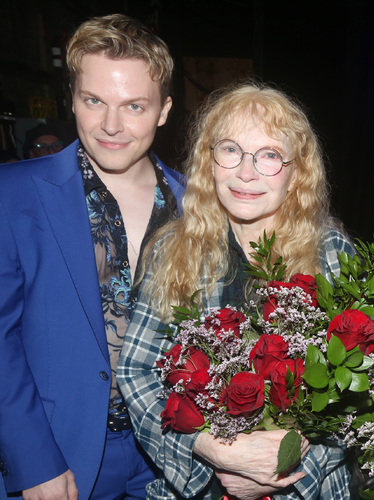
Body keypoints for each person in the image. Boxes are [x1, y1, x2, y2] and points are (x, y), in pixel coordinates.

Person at [118, 82, 354, 500]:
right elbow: (137, 372)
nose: (246, 173)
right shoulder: (173, 251)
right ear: (209, 161)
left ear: (296, 172)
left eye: (269, 156)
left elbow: (358, 385)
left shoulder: (331, 252)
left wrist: (282, 467)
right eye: (230, 150)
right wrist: (209, 448)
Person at [0, 13, 184, 500]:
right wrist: (32, 460)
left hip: (175, 456)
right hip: (59, 455)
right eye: (93, 100)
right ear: (73, 99)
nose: (111, 125)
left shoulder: (197, 205)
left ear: (164, 110)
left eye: (134, 106)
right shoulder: (12, 192)